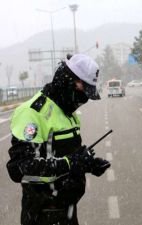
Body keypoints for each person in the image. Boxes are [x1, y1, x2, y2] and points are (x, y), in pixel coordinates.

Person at [6, 53, 111, 225]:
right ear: (67, 80)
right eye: (83, 90)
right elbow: (20, 168)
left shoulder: (67, 112)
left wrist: (88, 164)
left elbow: (69, 154)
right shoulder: (33, 112)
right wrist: (71, 163)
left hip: (68, 212)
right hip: (42, 215)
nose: (84, 99)